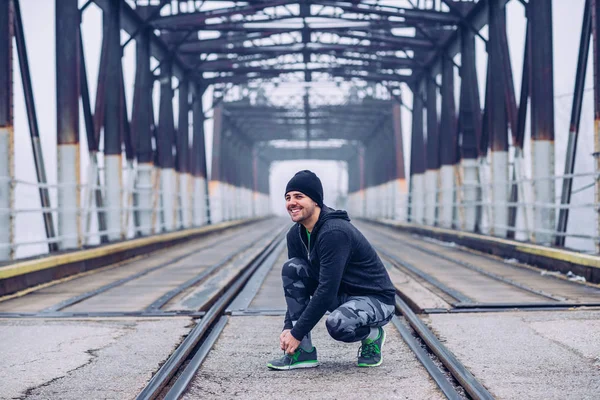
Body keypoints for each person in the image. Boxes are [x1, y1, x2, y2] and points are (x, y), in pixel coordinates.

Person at [267, 170, 396, 370]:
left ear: (316, 201)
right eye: (288, 197)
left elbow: (326, 291)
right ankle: (303, 353)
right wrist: (289, 328)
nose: (292, 202)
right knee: (292, 268)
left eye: (299, 196)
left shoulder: (334, 232)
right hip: (341, 296)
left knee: (338, 324)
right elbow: (296, 287)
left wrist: (296, 333)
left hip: (375, 299)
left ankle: (373, 335)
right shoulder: (296, 234)